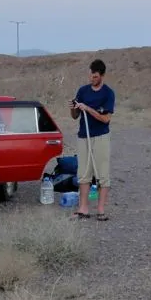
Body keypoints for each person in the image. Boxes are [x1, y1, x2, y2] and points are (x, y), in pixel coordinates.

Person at [68, 59, 115, 221]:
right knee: (83, 173)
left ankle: (101, 210)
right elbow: (75, 117)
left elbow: (105, 119)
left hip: (101, 136)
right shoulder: (83, 91)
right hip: (83, 137)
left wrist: (88, 109)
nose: (92, 79)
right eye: (90, 76)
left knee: (102, 173)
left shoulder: (108, 93)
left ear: (102, 76)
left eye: (95, 76)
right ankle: (83, 208)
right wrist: (73, 109)